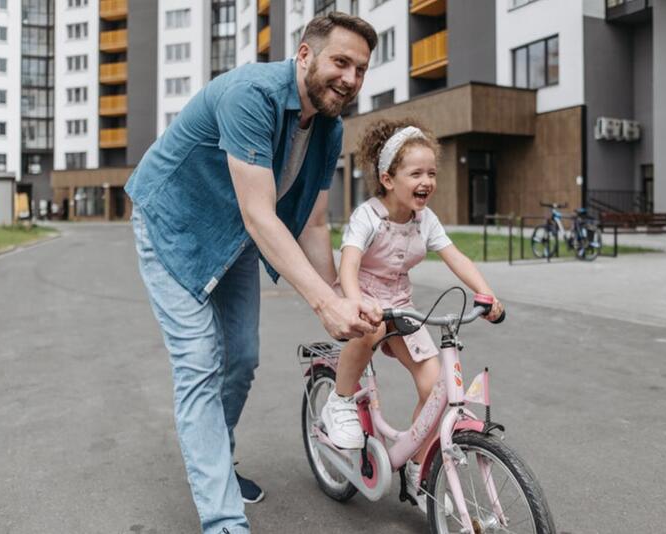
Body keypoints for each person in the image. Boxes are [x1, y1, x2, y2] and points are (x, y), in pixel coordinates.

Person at [124, 13, 381, 534]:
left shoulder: (329, 128)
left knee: (241, 357)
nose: (350, 79)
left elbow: (311, 221)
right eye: (341, 61)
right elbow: (262, 215)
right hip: (173, 224)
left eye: (360, 69)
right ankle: (224, 520)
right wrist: (324, 305)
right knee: (199, 363)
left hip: (234, 235)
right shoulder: (251, 95)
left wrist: (340, 294)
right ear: (305, 55)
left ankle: (217, 461)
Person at [321, 118, 504, 512]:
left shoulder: (426, 219)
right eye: (416, 173)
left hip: (401, 304)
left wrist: (485, 292)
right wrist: (355, 302)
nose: (427, 181)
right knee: (367, 332)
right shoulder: (367, 216)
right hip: (363, 296)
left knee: (435, 386)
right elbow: (349, 265)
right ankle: (339, 400)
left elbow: (455, 255)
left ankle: (418, 467)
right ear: (388, 179)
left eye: (432, 173)